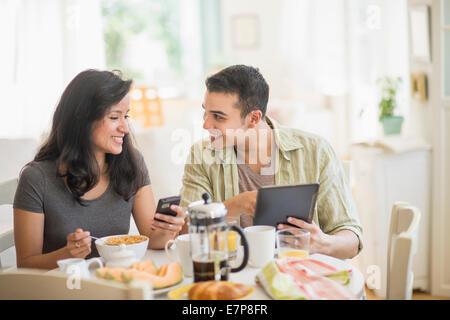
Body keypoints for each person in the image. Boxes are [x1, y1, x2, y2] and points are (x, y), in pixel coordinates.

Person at [180, 65, 362, 260]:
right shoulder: (201, 155)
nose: (206, 125)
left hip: (298, 277)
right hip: (233, 278)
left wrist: (322, 243)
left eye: (218, 116)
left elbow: (352, 241)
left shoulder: (316, 151)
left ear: (254, 118)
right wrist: (233, 206)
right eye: (205, 112)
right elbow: (183, 235)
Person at [13, 69, 186, 269]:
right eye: (114, 118)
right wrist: (66, 255)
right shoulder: (37, 178)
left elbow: (152, 238)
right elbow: (25, 264)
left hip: (115, 281)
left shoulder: (132, 163)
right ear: (82, 119)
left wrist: (170, 228)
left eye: (126, 116)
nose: (125, 128)